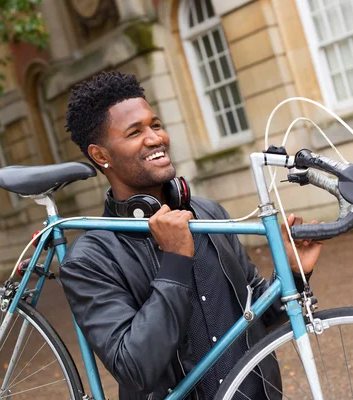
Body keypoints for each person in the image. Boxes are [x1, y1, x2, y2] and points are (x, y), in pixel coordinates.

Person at [60, 71, 323, 400]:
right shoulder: (89, 259)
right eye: (134, 132)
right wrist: (175, 262)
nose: (156, 138)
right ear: (101, 156)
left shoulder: (209, 214)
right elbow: (134, 368)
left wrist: (294, 271)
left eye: (155, 125)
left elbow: (260, 315)